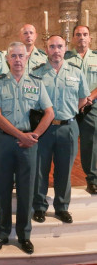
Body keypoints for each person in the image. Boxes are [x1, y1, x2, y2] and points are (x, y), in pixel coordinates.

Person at [0, 42, 54, 254]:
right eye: (13, 56)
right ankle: (2, 233)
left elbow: (49, 112)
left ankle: (24, 235)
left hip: (29, 143)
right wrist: (21, 136)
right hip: (5, 142)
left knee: (27, 190)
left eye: (21, 56)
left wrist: (33, 136)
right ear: (7, 59)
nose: (17, 60)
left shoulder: (36, 82)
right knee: (3, 189)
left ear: (27, 59)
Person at [32, 35, 90, 224]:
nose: (56, 50)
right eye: (52, 47)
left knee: (64, 169)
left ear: (65, 48)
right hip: (44, 128)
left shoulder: (76, 72)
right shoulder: (37, 73)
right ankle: (39, 206)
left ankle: (62, 207)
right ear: (46, 49)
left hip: (68, 127)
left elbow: (84, 98)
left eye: (59, 46)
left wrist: (71, 111)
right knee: (41, 168)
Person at [65, 25, 97, 194]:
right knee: (67, 144)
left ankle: (92, 179)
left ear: (90, 38)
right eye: (78, 35)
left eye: (85, 34)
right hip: (71, 107)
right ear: (73, 38)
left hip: (92, 107)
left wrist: (90, 97)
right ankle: (62, 180)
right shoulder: (66, 58)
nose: (82, 37)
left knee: (90, 144)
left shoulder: (96, 58)